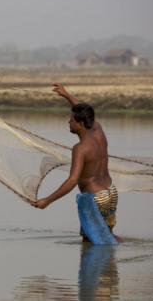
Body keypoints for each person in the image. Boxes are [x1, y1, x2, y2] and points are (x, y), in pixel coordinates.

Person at [32, 84, 120, 243]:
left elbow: (72, 180)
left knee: (92, 242)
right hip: (110, 193)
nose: (68, 121)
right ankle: (111, 266)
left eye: (71, 120)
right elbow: (84, 111)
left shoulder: (80, 148)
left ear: (79, 124)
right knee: (107, 237)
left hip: (94, 199)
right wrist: (66, 95)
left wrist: (47, 200)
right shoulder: (98, 132)